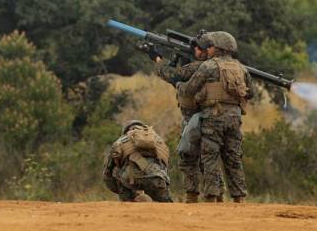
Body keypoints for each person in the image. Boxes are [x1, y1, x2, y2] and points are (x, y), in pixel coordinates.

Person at [177, 31, 252, 203]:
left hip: (213, 117)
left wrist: (179, 85)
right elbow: (251, 93)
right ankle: (239, 198)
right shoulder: (241, 68)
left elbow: (189, 89)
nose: (207, 49)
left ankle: (211, 197)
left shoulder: (208, 66)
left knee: (210, 156)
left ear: (217, 49)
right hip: (234, 119)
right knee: (233, 157)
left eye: (210, 47)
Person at [147, 33, 207, 203]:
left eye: (199, 47)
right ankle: (214, 197)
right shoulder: (216, 65)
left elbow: (172, 76)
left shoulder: (200, 67)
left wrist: (157, 58)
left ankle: (194, 197)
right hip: (210, 116)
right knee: (209, 160)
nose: (196, 50)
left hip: (195, 117)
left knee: (190, 157)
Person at [102, 120, 173, 203]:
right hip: (157, 178)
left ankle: (128, 202)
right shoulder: (158, 140)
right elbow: (165, 165)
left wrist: (117, 189)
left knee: (116, 171)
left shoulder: (120, 141)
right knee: (165, 203)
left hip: (131, 179)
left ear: (126, 131)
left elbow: (107, 173)